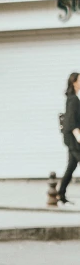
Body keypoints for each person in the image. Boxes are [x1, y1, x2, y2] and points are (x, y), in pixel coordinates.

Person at [59, 71, 80, 204]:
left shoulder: (72, 98)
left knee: (71, 165)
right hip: (73, 138)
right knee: (72, 165)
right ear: (74, 82)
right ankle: (60, 193)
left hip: (70, 137)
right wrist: (78, 136)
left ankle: (60, 194)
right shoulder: (73, 99)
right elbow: (72, 121)